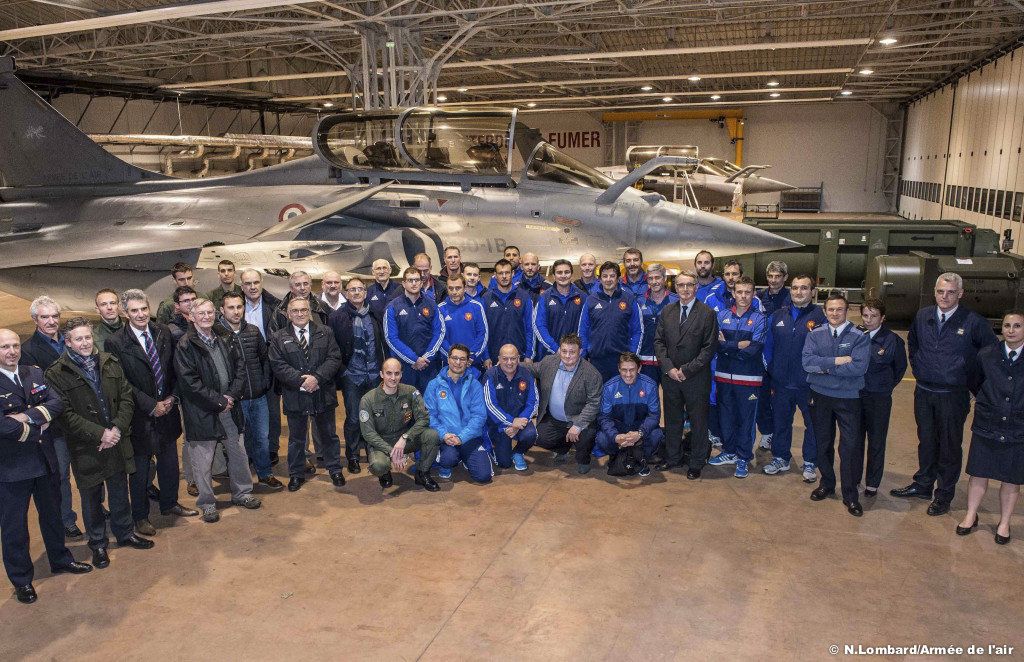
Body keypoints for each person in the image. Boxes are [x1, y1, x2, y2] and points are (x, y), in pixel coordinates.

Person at [45, 317, 155, 567]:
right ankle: (97, 543)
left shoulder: (109, 362)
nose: (85, 343)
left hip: (115, 439)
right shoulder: (56, 373)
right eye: (78, 339)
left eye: (87, 337)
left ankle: (125, 533)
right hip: (87, 446)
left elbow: (126, 396)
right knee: (92, 497)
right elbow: (65, 415)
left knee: (119, 490)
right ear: (68, 342)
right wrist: (100, 434)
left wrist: (116, 428)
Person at [891, 272, 998, 516]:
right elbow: (914, 344)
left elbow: (990, 355)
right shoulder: (923, 316)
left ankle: (944, 494)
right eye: (940, 291)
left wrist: (975, 386)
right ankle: (923, 484)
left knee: (949, 446)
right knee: (926, 441)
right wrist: (919, 367)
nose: (945, 297)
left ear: (960, 294)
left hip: (953, 394)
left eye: (951, 292)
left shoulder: (973, 322)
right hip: (925, 391)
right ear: (935, 292)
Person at [0, 329, 91, 605]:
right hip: (12, 469)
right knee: (14, 527)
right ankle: (22, 580)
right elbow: (2, 426)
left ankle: (60, 559)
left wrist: (26, 416)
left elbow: (57, 402)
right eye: (5, 347)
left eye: (15, 345)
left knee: (52, 516)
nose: (12, 351)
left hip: (44, 461)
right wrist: (39, 426)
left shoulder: (34, 373)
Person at [103, 289, 197, 536]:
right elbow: (122, 382)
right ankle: (141, 517)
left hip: (167, 410)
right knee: (140, 470)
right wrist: (150, 405)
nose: (141, 314)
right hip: (140, 416)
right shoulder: (115, 342)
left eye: (144, 309)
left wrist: (171, 398)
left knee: (168, 463)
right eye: (134, 310)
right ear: (125, 313)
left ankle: (170, 503)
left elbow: (174, 368)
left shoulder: (163, 332)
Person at [174, 299, 262, 523]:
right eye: (201, 313)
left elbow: (240, 369)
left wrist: (230, 396)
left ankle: (242, 493)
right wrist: (218, 401)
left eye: (210, 312)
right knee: (203, 461)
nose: (206, 317)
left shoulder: (225, 337)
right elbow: (189, 383)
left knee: (238, 453)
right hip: (202, 411)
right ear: (191, 317)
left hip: (229, 407)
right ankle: (207, 503)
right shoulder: (185, 345)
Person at [959, 310, 1024, 544]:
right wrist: (990, 403)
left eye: (1017, 326)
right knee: (978, 473)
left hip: (1018, 427)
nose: (1011, 330)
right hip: (988, 423)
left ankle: (1004, 522)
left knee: (1011, 479)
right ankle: (970, 514)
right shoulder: (987, 355)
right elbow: (974, 381)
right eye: (1007, 325)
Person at [803, 293, 871, 516]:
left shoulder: (859, 336)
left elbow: (858, 368)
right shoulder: (815, 334)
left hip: (848, 398)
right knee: (823, 442)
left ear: (847, 310)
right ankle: (827, 484)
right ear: (824, 311)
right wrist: (838, 361)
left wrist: (824, 367)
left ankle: (850, 494)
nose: (834, 313)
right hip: (820, 396)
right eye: (830, 310)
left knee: (849, 447)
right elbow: (807, 363)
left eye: (839, 309)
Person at [268, 297, 345, 492]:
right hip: (295, 394)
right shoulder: (278, 337)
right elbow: (278, 365)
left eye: (304, 310)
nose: (300, 314)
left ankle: (335, 469)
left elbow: (334, 357)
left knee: (329, 435)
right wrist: (301, 381)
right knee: (297, 439)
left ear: (309, 311)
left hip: (322, 391)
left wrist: (317, 378)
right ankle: (296, 474)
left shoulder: (325, 332)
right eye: (295, 311)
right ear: (288, 313)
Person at [19, 296, 79, 539]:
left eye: (55, 316)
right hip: (56, 426)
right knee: (61, 475)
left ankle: (98, 508)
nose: (52, 321)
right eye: (45, 317)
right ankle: (66, 519)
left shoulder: (72, 340)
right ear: (35, 320)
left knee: (88, 469)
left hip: (81, 419)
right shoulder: (28, 352)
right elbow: (35, 393)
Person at [762, 274, 827, 481]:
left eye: (804, 288)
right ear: (790, 291)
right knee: (781, 422)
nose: (799, 292)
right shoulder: (778, 316)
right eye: (795, 288)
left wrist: (817, 373)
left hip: (809, 384)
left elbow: (826, 351)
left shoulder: (821, 317)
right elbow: (767, 348)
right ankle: (781, 457)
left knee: (813, 424)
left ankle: (810, 462)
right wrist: (773, 371)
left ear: (813, 292)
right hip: (781, 383)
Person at [654, 271, 718, 479]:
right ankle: (673, 457)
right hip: (670, 377)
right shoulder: (667, 311)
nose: (685, 289)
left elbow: (708, 349)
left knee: (698, 422)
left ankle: (696, 462)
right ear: (675, 287)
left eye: (689, 285)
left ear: (696, 287)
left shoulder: (707, 313)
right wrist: (669, 368)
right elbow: (659, 343)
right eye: (681, 285)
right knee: (672, 420)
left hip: (696, 378)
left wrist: (687, 370)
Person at [216, 292, 281, 491]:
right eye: (231, 307)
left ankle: (265, 474)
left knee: (262, 438)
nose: (236, 311)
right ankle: (242, 480)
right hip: (235, 400)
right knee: (238, 443)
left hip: (258, 396)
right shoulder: (218, 335)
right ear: (222, 310)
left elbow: (264, 359)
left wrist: (264, 383)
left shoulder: (253, 331)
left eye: (239, 307)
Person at [707, 276, 767, 479]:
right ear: (733, 293)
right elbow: (716, 344)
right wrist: (739, 344)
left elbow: (754, 349)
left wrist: (728, 346)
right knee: (726, 417)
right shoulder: (721, 315)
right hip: (723, 376)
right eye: (739, 292)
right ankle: (729, 451)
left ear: (753, 294)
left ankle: (743, 456)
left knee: (746, 419)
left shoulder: (759, 318)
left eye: (747, 292)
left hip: (749, 378)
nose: (743, 296)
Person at [328, 277, 385, 474]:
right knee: (353, 417)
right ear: (346, 293)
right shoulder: (337, 317)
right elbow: (332, 347)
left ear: (365, 292)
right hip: (352, 375)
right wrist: (344, 371)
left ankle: (373, 453)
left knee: (373, 417)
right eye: (352, 289)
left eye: (360, 289)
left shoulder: (376, 314)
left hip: (374, 375)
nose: (356, 292)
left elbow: (382, 343)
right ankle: (352, 456)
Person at [358, 358, 441, 491]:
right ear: (381, 374)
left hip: (404, 439)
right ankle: (384, 473)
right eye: (389, 373)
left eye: (397, 373)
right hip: (381, 442)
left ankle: (422, 473)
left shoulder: (410, 391)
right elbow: (368, 434)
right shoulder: (368, 399)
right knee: (378, 465)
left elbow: (423, 419)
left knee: (432, 435)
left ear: (401, 374)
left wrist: (405, 438)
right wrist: (392, 452)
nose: (393, 377)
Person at [526, 333, 602, 474]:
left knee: (586, 437)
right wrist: (510, 364)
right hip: (555, 420)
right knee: (539, 437)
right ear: (560, 350)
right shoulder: (549, 362)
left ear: (580, 352)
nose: (567, 356)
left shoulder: (591, 373)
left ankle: (583, 459)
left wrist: (578, 425)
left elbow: (594, 403)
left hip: (578, 420)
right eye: (564, 351)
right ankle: (562, 448)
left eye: (572, 352)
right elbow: (530, 369)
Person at [857, 298, 907, 497]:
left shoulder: (892, 340)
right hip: (855, 395)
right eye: (866, 315)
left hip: (878, 398)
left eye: (874, 316)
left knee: (876, 441)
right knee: (854, 440)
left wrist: (884, 386)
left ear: (883, 318)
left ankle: (872, 483)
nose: (869, 320)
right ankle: (853, 478)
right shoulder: (857, 335)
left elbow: (899, 369)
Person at [424, 344, 491, 483]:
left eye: (462, 359)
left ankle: (466, 457)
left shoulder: (475, 385)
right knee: (448, 459)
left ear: (468, 362)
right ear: (448, 359)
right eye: (454, 358)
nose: (458, 362)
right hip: (447, 437)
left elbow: (479, 416)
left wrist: (462, 437)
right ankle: (449, 460)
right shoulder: (434, 385)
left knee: (484, 476)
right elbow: (429, 415)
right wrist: (444, 435)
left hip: (469, 437)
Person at [239, 269, 283, 465]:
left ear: (262, 283)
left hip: (270, 364)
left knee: (273, 411)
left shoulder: (274, 306)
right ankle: (249, 452)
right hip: (243, 365)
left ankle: (272, 449)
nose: (253, 287)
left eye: (256, 282)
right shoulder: (236, 306)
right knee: (247, 412)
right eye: (248, 283)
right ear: (242, 287)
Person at [597, 352, 662, 477]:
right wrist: (615, 436)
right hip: (619, 429)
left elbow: (654, 415)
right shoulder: (609, 387)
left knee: (656, 435)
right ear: (618, 369)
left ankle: (640, 458)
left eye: (632, 370)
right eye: (624, 370)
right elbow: (604, 417)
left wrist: (640, 433)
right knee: (601, 438)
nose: (628, 374)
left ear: (639, 368)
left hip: (640, 428)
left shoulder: (650, 386)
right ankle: (618, 456)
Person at [578, 261, 642, 383]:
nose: (608, 279)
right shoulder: (591, 300)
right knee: (598, 397)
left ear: (618, 278)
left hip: (622, 361)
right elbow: (583, 330)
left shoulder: (629, 299)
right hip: (596, 360)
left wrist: (632, 356)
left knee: (619, 399)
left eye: (612, 276)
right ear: (600, 279)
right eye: (605, 276)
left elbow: (638, 330)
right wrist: (583, 355)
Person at [384, 267, 445, 391]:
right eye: (410, 280)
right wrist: (414, 360)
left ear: (421, 283)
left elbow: (439, 332)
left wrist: (426, 357)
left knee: (428, 405)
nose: (414, 283)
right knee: (406, 406)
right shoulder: (392, 307)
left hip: (429, 365)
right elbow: (391, 338)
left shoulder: (431, 304)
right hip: (404, 367)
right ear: (404, 283)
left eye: (417, 280)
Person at [483, 344, 538, 472]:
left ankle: (518, 452)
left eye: (513, 358)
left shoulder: (527, 374)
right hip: (498, 424)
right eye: (505, 358)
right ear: (499, 359)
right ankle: (494, 448)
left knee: (531, 434)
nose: (509, 362)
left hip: (520, 421)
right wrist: (510, 422)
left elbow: (533, 402)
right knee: (504, 463)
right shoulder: (490, 375)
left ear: (518, 359)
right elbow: (489, 405)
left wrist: (519, 423)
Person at [755, 260, 791, 451]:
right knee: (761, 400)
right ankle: (767, 433)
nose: (774, 280)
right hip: (762, 358)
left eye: (778, 276)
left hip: (783, 359)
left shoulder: (791, 298)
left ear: (785, 278)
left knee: (781, 402)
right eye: (771, 276)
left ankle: (780, 437)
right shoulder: (759, 298)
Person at [533, 259, 586, 360]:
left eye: (567, 272)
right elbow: (539, 325)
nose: (563, 275)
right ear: (554, 275)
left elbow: (586, 327)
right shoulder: (545, 297)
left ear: (571, 274)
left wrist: (580, 349)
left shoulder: (582, 297)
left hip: (574, 356)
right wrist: (556, 348)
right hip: (550, 355)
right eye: (559, 272)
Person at [484, 259, 534, 363]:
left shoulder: (524, 296)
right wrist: (485, 356)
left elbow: (530, 328)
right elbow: (483, 330)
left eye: (507, 272)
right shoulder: (486, 298)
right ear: (495, 275)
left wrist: (529, 354)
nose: (504, 276)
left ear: (513, 273)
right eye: (500, 273)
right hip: (494, 356)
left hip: (519, 355)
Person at [439, 274, 489, 372]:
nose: (454, 292)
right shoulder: (440, 309)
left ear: (465, 288)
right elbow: (440, 338)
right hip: (449, 365)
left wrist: (471, 356)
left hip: (473, 363)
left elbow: (483, 334)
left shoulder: (476, 306)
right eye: (451, 288)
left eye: (458, 288)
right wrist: (454, 358)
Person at [637, 263, 678, 383]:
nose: (654, 281)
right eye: (650, 278)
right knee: (647, 399)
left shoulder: (676, 301)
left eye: (657, 277)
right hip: (645, 360)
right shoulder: (639, 302)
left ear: (664, 279)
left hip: (670, 361)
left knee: (672, 399)